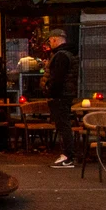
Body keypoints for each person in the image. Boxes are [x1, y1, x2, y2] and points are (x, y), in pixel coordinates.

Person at [46, 29, 78, 168]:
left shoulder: (60, 56)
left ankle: (67, 156)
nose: (49, 44)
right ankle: (67, 155)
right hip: (66, 94)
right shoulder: (70, 54)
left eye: (50, 41)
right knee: (64, 124)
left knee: (63, 125)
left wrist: (51, 91)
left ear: (54, 39)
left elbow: (57, 78)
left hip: (60, 95)